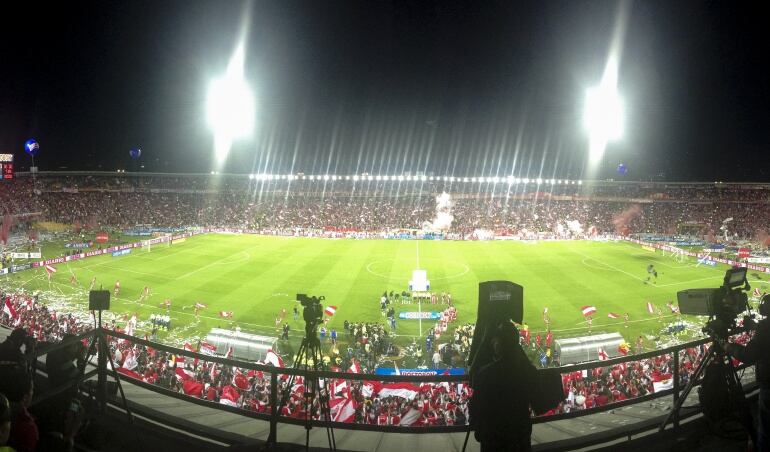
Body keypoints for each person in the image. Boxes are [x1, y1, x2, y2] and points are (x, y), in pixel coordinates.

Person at [469, 322, 538, 451]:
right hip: (519, 434)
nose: (492, 343)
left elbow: (475, 406)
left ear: (499, 344)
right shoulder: (527, 371)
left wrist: (479, 431)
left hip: (493, 437)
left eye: (495, 340)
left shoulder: (486, 373)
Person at [726, 294, 770, 452]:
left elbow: (748, 355)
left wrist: (728, 347)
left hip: (769, 384)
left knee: (766, 426)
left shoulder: (765, 327)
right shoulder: (764, 327)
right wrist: (755, 326)